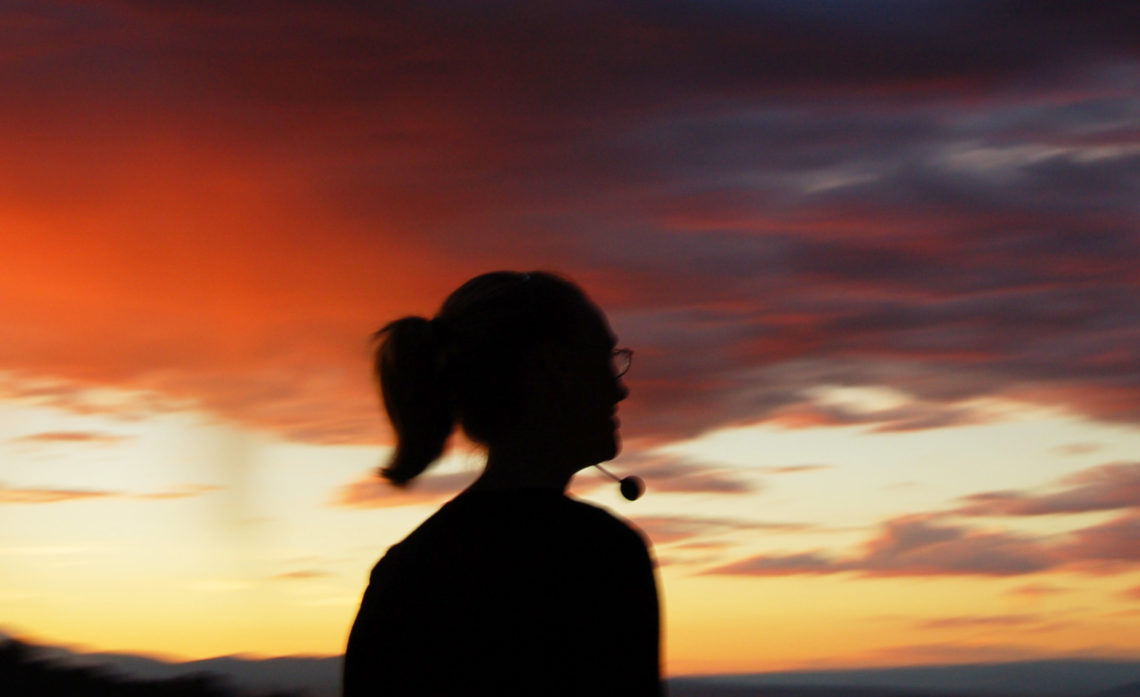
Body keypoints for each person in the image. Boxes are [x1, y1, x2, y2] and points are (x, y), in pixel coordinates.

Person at [343, 271, 663, 696]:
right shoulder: (599, 554)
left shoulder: (405, 569)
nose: (618, 389)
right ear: (549, 368)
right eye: (602, 359)